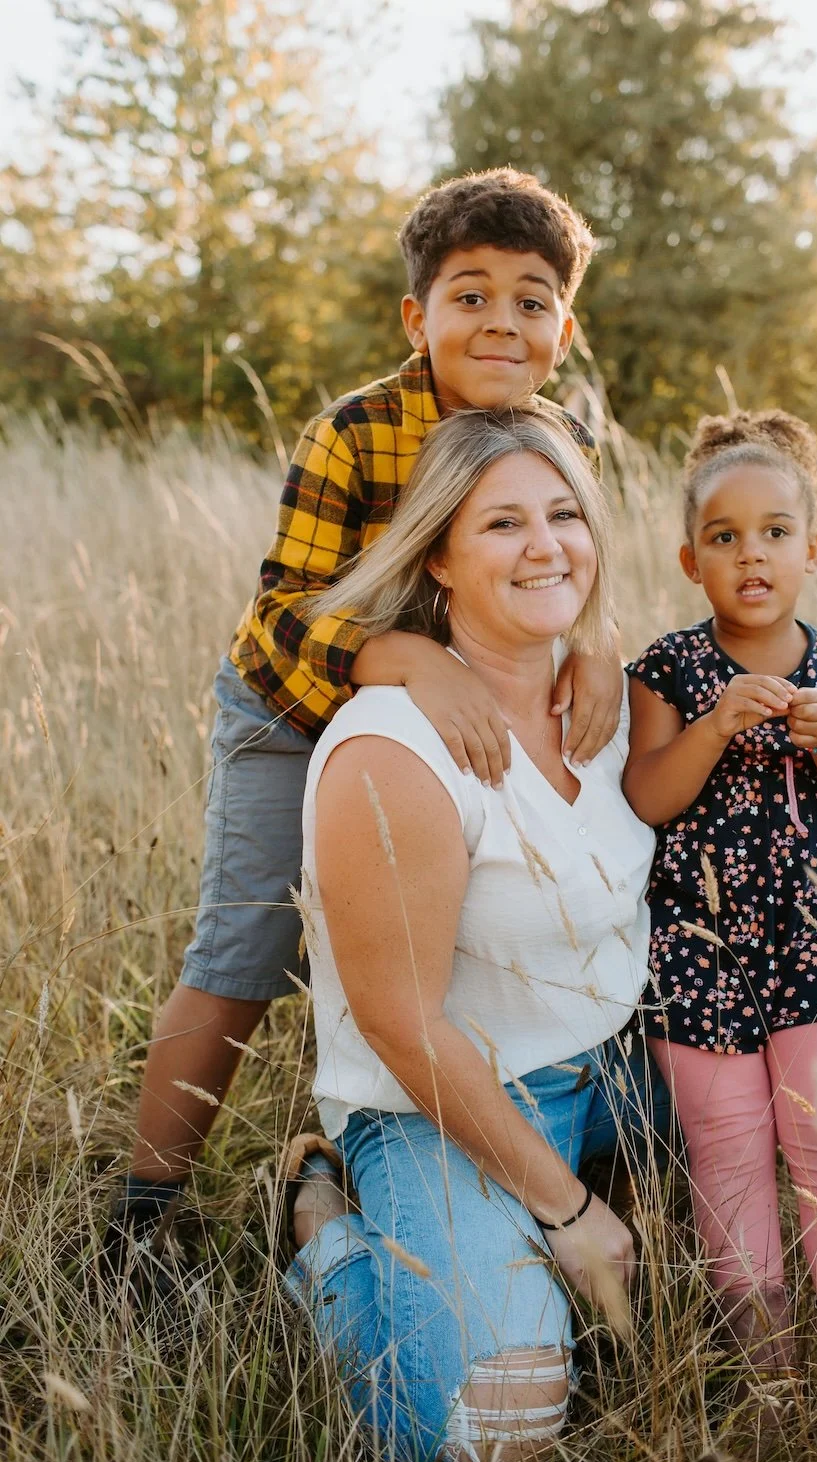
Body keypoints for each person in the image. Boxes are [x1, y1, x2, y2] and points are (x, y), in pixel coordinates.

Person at [101, 169, 626, 1276]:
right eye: (469, 295)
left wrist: (598, 650)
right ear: (416, 317)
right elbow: (282, 611)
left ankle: (385, 1136)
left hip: (467, 709)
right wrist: (397, 657)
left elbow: (569, 569)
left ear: (564, 330)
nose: (500, 322)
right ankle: (138, 1221)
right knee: (249, 943)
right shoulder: (356, 430)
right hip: (296, 704)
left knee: (448, 936)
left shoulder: (558, 435)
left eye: (531, 300)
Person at [283, 405, 670, 1462]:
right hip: (437, 1105)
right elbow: (402, 1025)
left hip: (619, 1069)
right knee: (495, 1431)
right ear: (440, 560)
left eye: (564, 514)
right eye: (502, 524)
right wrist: (571, 1210)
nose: (546, 546)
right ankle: (327, 1239)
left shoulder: (610, 702)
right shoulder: (392, 750)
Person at [623, 411, 817, 1462]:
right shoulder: (667, 668)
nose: (752, 556)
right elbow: (648, 797)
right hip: (697, 956)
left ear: (812, 550)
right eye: (725, 538)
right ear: (691, 560)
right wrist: (708, 726)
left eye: (775, 532)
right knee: (730, 1160)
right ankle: (768, 1385)